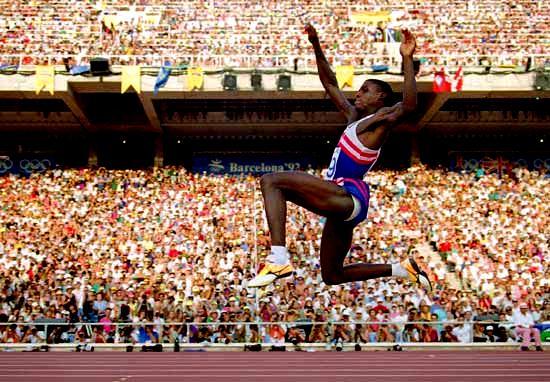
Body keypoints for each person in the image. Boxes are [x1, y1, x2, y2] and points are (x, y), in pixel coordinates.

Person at [248, 24, 431, 292]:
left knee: (271, 181)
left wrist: (406, 58)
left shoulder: (381, 122)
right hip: (341, 207)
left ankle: (278, 259)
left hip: (348, 195)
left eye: (365, 90)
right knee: (333, 275)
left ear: (380, 96)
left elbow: (409, 106)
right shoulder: (353, 118)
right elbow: (330, 82)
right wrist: (315, 45)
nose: (358, 93)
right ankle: (402, 269)